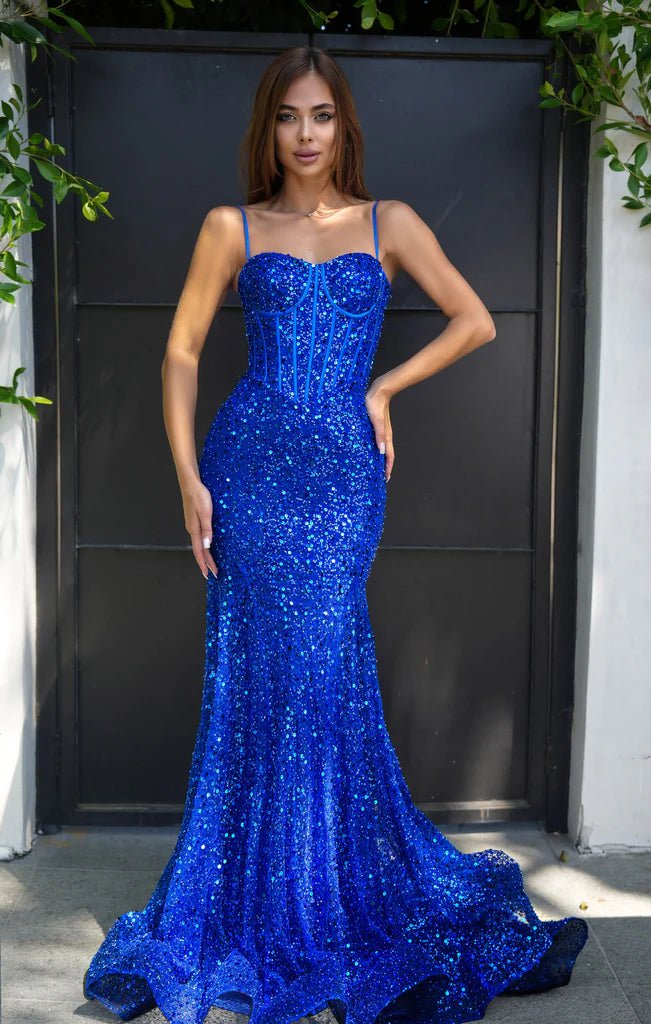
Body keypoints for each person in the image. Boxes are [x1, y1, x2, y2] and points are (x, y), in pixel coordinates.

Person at [83, 43, 588, 1024]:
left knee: (322, 672)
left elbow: (474, 320)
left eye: (319, 115)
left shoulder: (387, 221)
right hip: (248, 469)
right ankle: (265, 897)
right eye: (286, 116)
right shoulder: (231, 226)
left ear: (343, 124)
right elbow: (181, 351)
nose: (304, 134)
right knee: (261, 676)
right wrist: (188, 477)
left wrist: (384, 386)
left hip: (344, 480)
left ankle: (327, 892)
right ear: (266, 128)